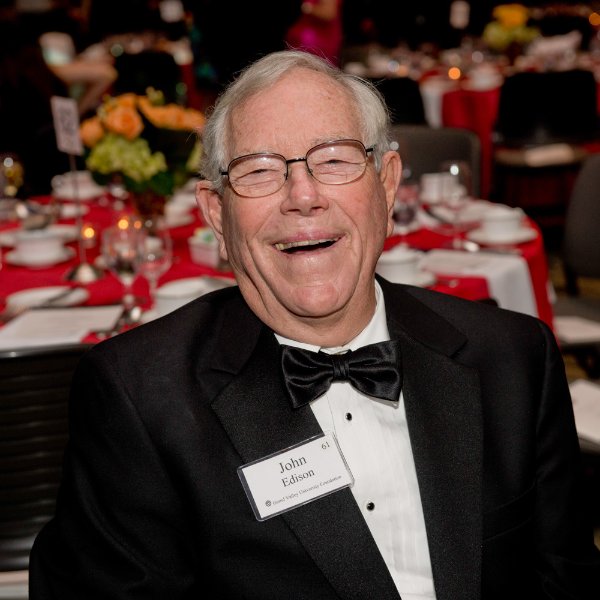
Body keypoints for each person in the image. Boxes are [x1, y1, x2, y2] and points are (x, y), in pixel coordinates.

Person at [29, 49, 600, 599]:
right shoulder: (139, 400)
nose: (302, 196)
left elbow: (563, 581)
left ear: (386, 182)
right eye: (259, 171)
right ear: (215, 213)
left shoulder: (512, 358)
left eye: (334, 160)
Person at [285, 0, 344, 66]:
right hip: (307, 39)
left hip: (317, 39)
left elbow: (328, 12)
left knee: (316, 67)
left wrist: (307, 7)